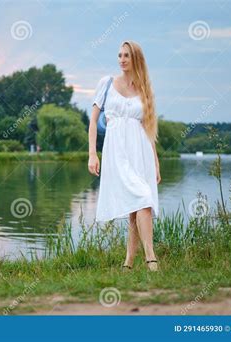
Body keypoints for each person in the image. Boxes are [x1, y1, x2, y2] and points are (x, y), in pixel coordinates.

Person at [87, 40, 161, 272]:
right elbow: (92, 121)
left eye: (126, 55)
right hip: (116, 151)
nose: (121, 59)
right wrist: (92, 153)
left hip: (141, 152)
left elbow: (148, 128)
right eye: (119, 55)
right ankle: (151, 258)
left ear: (136, 58)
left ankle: (128, 264)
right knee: (143, 198)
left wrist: (156, 161)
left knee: (136, 207)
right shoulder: (107, 83)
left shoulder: (144, 89)